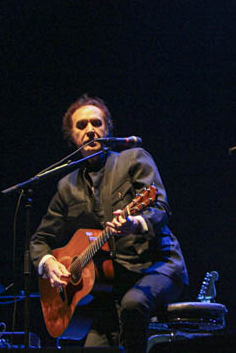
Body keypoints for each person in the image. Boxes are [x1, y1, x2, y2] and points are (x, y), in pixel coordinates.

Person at [30, 95, 188, 351]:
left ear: (107, 129)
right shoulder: (66, 186)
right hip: (109, 285)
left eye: (96, 123)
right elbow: (40, 240)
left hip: (156, 267)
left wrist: (136, 223)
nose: (90, 130)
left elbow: (160, 208)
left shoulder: (134, 159)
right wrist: (47, 263)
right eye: (81, 126)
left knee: (133, 303)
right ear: (72, 136)